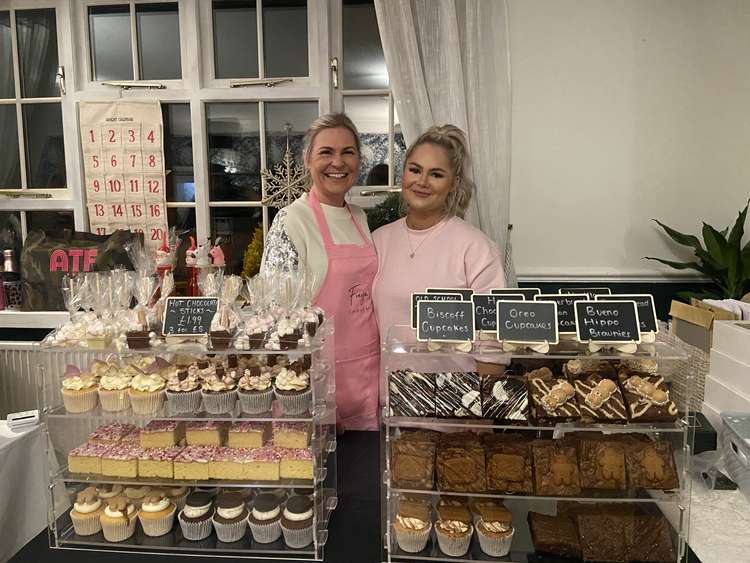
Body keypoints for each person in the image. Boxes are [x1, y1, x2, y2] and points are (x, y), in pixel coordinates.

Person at [262, 113, 379, 431]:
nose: (337, 162)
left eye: (348, 152)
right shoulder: (292, 220)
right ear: (307, 160)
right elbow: (277, 319)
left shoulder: (359, 217)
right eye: (326, 152)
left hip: (367, 378)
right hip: (318, 382)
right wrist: (306, 394)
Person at [372, 124, 506, 344]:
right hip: (388, 378)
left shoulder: (477, 248)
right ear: (403, 173)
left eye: (436, 174)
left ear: (454, 184)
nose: (422, 182)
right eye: (415, 170)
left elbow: (492, 341)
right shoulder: (379, 240)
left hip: (458, 378)